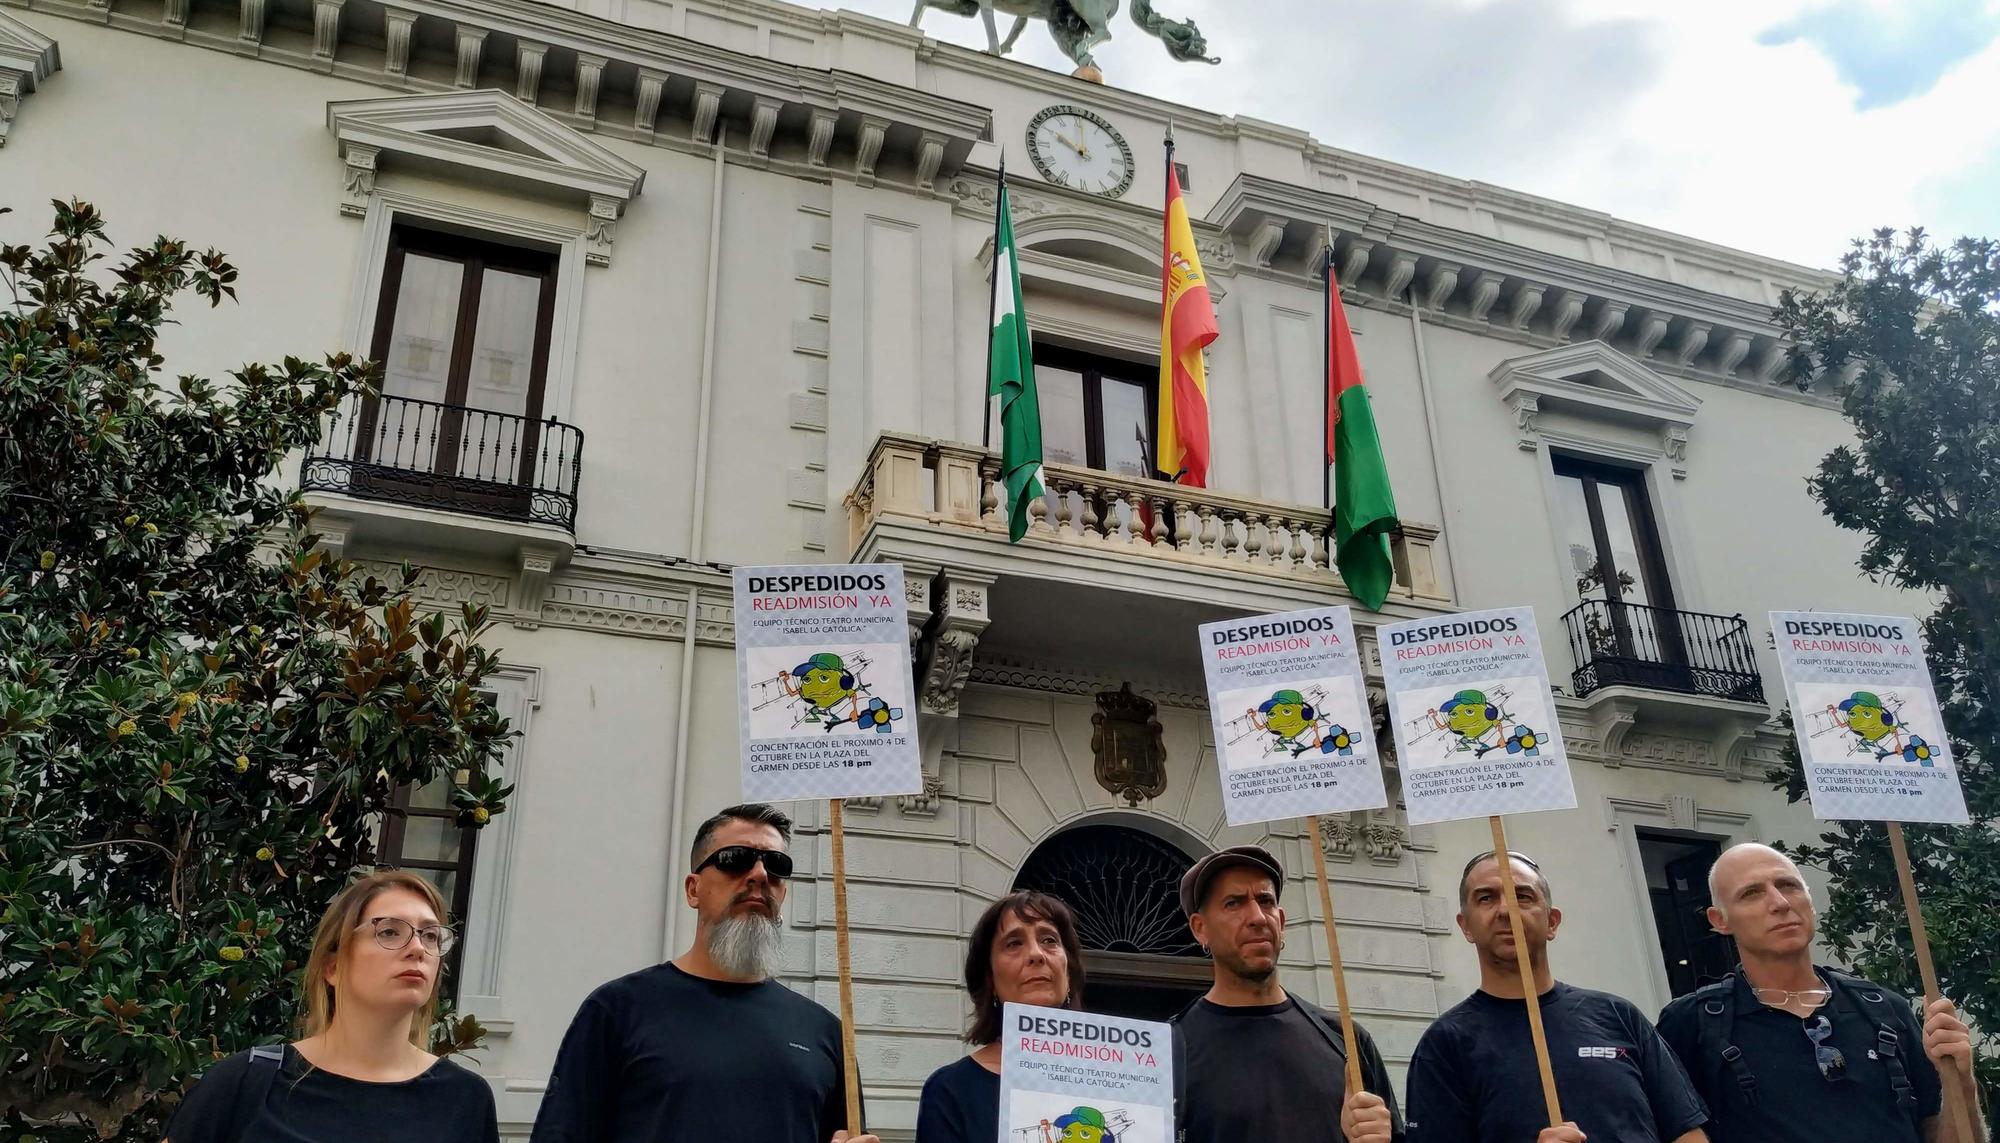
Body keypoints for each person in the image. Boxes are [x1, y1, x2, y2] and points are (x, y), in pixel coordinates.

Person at [531, 803, 877, 1143]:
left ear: (782, 893)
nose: (758, 875)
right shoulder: (617, 1010)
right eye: (735, 859)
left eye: (775, 865)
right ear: (693, 889)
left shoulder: (826, 1033)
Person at [1657, 842, 1986, 1143]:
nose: (1780, 903)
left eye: (1788, 885)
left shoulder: (1886, 1010)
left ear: (1811, 902)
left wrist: (1961, 1082)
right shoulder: (1693, 1024)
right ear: (1720, 920)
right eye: (1752, 893)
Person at [165, 869, 498, 1143]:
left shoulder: (465, 1099)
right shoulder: (244, 1083)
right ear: (332, 966)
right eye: (390, 932)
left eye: (430, 936)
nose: (417, 949)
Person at [1405, 850, 1709, 1143]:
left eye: (1522, 896)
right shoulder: (1444, 1044)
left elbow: (1687, 1133)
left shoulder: (1619, 1016)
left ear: (1552, 922)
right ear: (1465, 926)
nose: (1506, 909)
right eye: (1486, 898)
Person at [1170, 844, 1405, 1143]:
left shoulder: (1345, 1039)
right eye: (1234, 903)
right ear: (1200, 928)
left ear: (1281, 921)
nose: (1257, 916)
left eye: (1265, 901)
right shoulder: (1169, 1051)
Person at [915, 889, 1089, 1143]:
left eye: (1049, 940)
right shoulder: (952, 1090)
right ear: (990, 980)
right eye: (1014, 943)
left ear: (1069, 973)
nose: (1036, 954)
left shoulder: (1124, 1078)